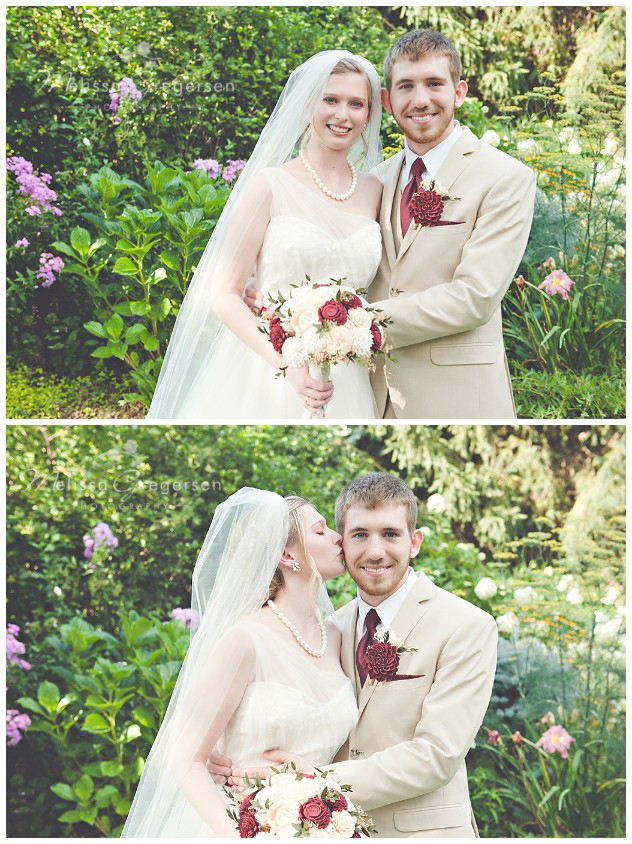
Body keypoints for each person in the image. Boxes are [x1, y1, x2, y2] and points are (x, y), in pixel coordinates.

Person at [217, 473, 498, 838]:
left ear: (415, 542)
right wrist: (219, 760)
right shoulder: (328, 631)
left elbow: (437, 756)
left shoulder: (466, 625)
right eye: (360, 535)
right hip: (322, 830)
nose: (375, 551)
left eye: (391, 534)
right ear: (342, 544)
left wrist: (308, 782)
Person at [147, 51, 384, 420]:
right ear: (308, 104)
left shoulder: (376, 189)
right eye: (330, 100)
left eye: (357, 103)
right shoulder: (269, 186)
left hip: (349, 374)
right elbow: (224, 293)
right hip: (267, 368)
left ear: (369, 114)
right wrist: (287, 366)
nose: (343, 115)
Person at [122, 488, 358, 837]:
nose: (339, 538)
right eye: (321, 530)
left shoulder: (336, 636)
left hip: (318, 826)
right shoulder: (245, 641)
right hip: (238, 824)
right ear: (285, 555)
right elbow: (186, 758)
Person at [369, 30, 537, 418]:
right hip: (372, 395)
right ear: (387, 100)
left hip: (457, 398)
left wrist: (359, 323)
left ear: (459, 92)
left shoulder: (505, 177)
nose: (420, 100)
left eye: (434, 84)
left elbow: (475, 297)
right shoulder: (375, 180)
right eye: (406, 86)